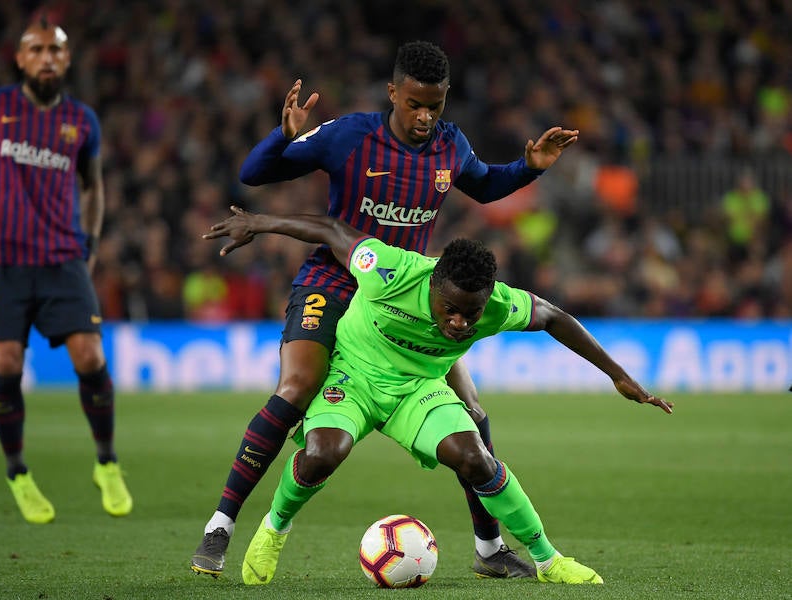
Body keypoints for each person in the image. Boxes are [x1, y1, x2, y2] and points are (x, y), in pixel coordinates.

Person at [191, 39, 579, 579]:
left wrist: (528, 167)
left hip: (410, 299)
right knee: (297, 388)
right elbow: (255, 174)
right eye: (414, 104)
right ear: (392, 93)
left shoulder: (450, 145)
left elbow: (488, 187)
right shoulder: (351, 136)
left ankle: (489, 549)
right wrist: (284, 135)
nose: (424, 117)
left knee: (473, 414)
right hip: (335, 280)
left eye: (435, 106)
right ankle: (221, 526)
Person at [203, 206, 673, 585]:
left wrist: (618, 375)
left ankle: (549, 561)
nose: (460, 323)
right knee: (324, 452)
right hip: (353, 378)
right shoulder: (391, 270)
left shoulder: (497, 304)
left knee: (476, 459)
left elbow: (552, 316)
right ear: (432, 284)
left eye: (472, 313)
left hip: (417, 391)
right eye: (450, 309)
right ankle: (275, 527)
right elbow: (331, 229)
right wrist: (258, 223)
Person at [0, 18, 132, 524]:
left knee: (89, 356)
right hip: (2, 259)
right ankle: (18, 472)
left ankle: (107, 462)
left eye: (56, 51)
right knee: (5, 364)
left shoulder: (82, 121)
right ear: (20, 59)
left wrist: (89, 244)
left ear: (67, 60)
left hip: (63, 257)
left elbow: (94, 187)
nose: (47, 58)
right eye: (37, 49)